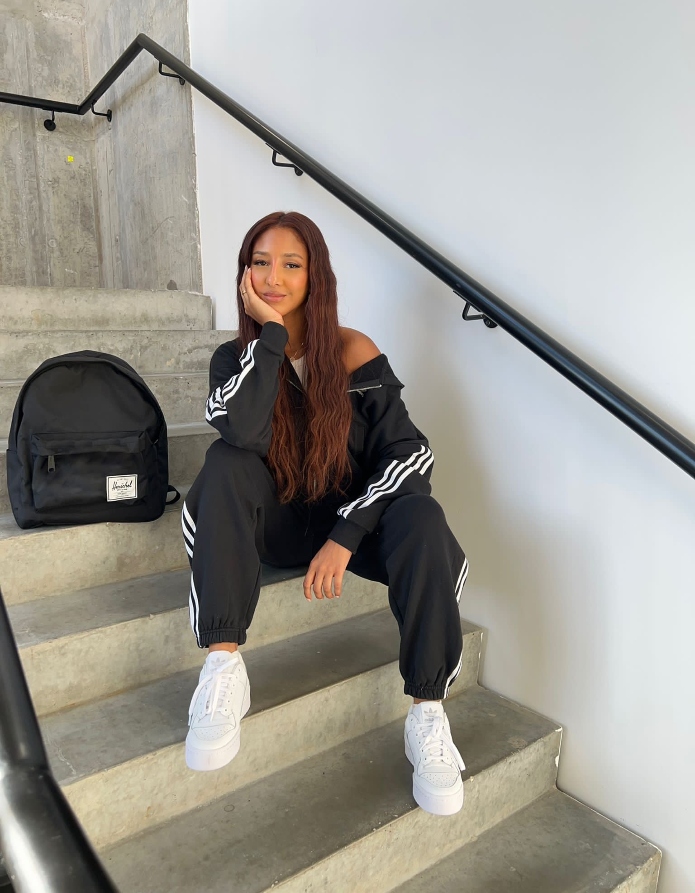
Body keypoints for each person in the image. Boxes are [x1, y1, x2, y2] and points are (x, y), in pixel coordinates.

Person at [181, 211, 469, 816]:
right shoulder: (233, 359)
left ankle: (428, 714)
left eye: (292, 264)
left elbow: (410, 452)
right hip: (277, 527)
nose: (274, 278)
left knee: (422, 517)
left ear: (316, 276)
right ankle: (223, 667)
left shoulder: (353, 351)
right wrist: (270, 339)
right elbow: (242, 431)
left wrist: (346, 534)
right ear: (244, 275)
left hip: (349, 526)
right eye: (261, 262)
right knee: (224, 462)